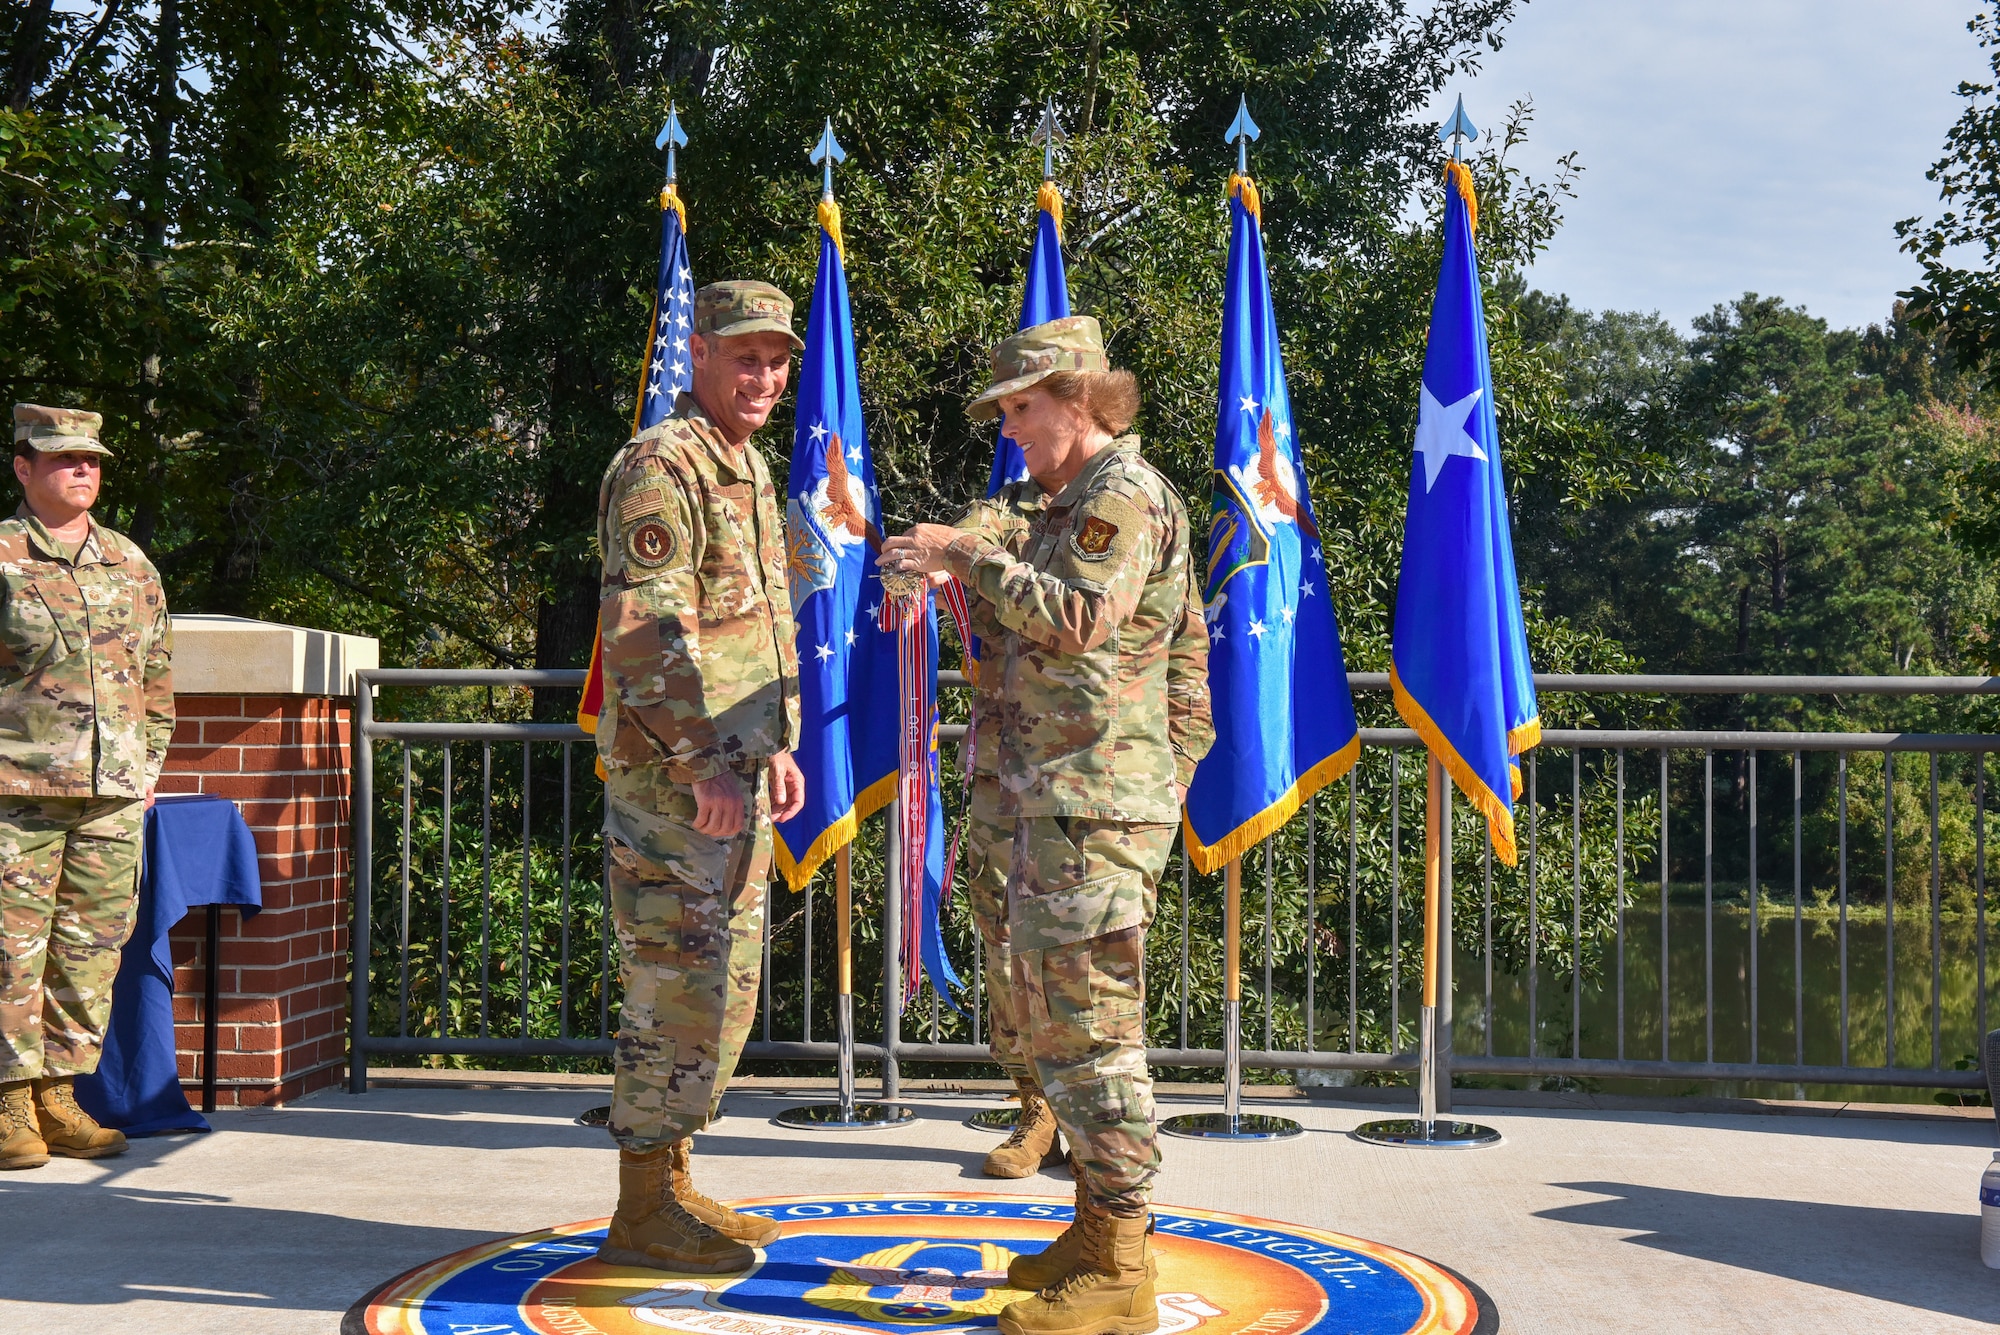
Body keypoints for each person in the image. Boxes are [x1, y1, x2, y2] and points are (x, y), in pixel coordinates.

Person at [882, 315, 1213, 1335]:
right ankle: (1091, 1232)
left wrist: (958, 556)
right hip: (1056, 804)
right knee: (1061, 1032)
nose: (1010, 431)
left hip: (1089, 809)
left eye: (1021, 409)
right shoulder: (1063, 503)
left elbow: (1076, 617)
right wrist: (935, 563)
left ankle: (1120, 1268)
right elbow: (1181, 661)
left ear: (1076, 398)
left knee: (1095, 1036)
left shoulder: (1121, 495)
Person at [592, 281, 808, 1272]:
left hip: (734, 769)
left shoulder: (745, 465)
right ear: (699, 359)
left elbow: (749, 623)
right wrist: (697, 758)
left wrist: (778, 745)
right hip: (676, 783)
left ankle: (672, 1182)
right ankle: (641, 1206)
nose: (763, 376)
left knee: (717, 990)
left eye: (775, 359)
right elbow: (645, 627)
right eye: (744, 357)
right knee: (672, 988)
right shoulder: (659, 464)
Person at [0, 405, 173, 1172]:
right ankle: (8, 1100)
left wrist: (145, 772)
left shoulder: (131, 564)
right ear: (23, 467)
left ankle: (59, 1094)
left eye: (92, 459)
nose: (82, 469)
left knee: (89, 951)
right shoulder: (3, 556)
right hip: (17, 791)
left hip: (111, 795)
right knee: (10, 951)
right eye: (63, 457)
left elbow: (157, 681)